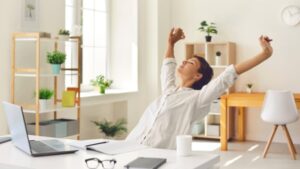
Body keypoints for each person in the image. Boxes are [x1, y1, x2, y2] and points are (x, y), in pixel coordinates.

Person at [126, 28, 273, 149]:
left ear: (197, 76)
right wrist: (170, 44)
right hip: (131, 145)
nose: (184, 61)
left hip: (156, 155)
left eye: (190, 62)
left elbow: (228, 75)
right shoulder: (169, 90)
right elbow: (167, 67)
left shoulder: (198, 99)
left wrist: (264, 54)